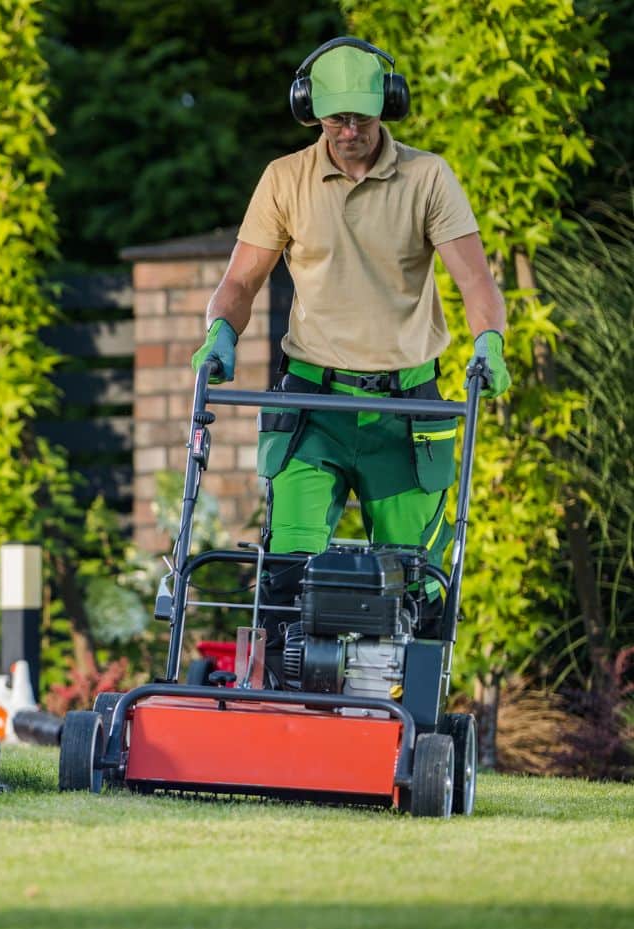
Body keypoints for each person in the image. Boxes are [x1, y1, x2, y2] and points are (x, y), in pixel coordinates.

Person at [190, 36, 510, 664]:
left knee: (409, 579)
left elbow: (474, 278)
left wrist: (490, 342)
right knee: (288, 568)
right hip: (314, 405)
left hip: (406, 410)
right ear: (311, 109)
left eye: (362, 115)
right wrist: (220, 335)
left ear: (387, 105)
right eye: (336, 116)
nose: (349, 129)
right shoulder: (286, 179)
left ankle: (400, 708)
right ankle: (278, 695)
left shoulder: (428, 177)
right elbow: (242, 280)